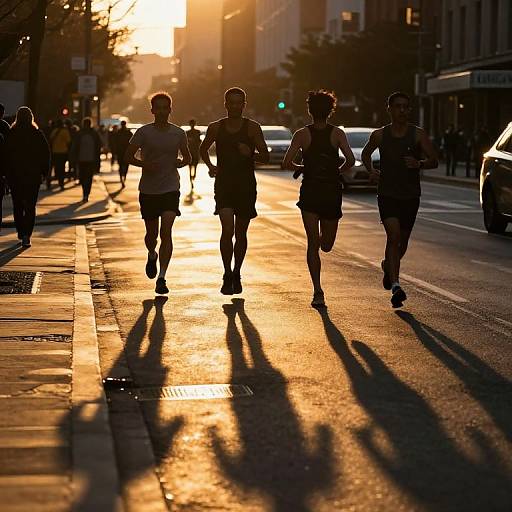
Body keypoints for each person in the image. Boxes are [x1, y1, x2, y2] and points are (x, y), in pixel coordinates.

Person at [362, 92, 438, 308]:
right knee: (393, 236)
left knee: (402, 242)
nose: (402, 110)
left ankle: (388, 266)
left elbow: (434, 160)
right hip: (387, 193)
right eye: (398, 106)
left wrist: (419, 163)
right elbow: (366, 154)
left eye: (405, 107)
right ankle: (396, 286)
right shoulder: (379, 135)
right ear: (389, 109)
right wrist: (371, 171)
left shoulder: (417, 135)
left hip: (410, 195)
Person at [281, 90, 355, 307]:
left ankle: (317, 290)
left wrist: (303, 167)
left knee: (316, 244)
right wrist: (336, 170)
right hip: (330, 192)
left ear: (309, 110)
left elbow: (287, 163)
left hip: (311, 191)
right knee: (324, 244)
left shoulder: (302, 134)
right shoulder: (337, 134)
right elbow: (350, 160)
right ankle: (318, 290)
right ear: (331, 110)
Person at [200, 87, 269, 295]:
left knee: (240, 233)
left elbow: (265, 157)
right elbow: (203, 149)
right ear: (225, 104)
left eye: (239, 103)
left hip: (246, 186)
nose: (235, 106)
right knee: (227, 230)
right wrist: (211, 167)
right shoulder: (216, 127)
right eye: (231, 103)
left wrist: (250, 154)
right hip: (224, 185)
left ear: (244, 105)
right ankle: (226, 272)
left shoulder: (252, 128)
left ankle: (237, 272)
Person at [125, 92, 191, 295]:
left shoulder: (178, 133)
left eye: (165, 107)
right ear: (152, 110)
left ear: (170, 110)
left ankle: (162, 277)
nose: (162, 111)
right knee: (152, 234)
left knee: (166, 232)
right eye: (158, 108)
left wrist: (181, 163)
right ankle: (152, 254)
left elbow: (187, 156)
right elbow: (128, 156)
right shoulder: (143, 133)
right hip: (149, 190)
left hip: (171, 188)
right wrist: (145, 164)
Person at [3, 107, 50, 247]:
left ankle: (20, 230)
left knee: (17, 205)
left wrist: (6, 173)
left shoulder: (11, 134)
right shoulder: (37, 134)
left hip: (15, 175)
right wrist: (44, 172)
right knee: (30, 206)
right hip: (33, 176)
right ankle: (26, 235)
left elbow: (5, 156)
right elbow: (45, 154)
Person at [70, 118, 101, 202]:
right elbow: (98, 147)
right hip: (85, 159)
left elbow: (74, 147)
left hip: (85, 159)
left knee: (85, 177)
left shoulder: (81, 134)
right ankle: (86, 194)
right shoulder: (92, 134)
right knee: (85, 178)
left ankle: (85, 194)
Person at [48, 118, 71, 190]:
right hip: (63, 152)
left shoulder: (54, 131)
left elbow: (50, 140)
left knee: (55, 167)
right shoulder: (65, 132)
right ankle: (61, 183)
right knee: (62, 168)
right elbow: (69, 142)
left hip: (55, 152)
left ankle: (50, 182)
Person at [186, 119, 201, 195]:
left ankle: (192, 178)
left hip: (194, 152)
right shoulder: (188, 133)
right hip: (192, 152)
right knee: (192, 167)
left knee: (193, 167)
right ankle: (191, 180)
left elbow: (199, 142)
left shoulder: (196, 132)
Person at [115, 120, 132, 187]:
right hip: (126, 152)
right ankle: (123, 177)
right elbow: (132, 143)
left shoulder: (118, 133)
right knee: (125, 166)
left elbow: (115, 143)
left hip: (120, 152)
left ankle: (122, 178)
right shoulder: (128, 133)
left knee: (121, 166)